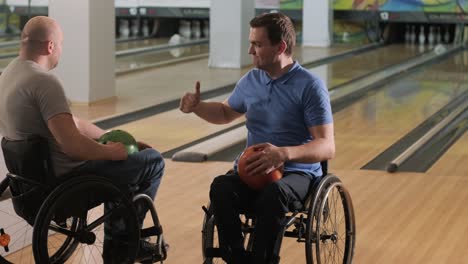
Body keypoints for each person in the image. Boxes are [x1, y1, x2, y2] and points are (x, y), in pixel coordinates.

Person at [0, 16, 165, 262]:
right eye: (62, 44)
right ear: (50, 46)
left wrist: (108, 138)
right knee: (152, 161)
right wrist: (113, 152)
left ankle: (121, 239)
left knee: (126, 169)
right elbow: (73, 146)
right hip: (68, 184)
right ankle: (126, 244)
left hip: (28, 189)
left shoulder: (8, 75)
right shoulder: (44, 81)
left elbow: (73, 123)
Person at [180, 13, 335, 264]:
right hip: (254, 170)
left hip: (297, 173)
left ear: (280, 47)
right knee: (220, 187)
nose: (250, 50)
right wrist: (197, 107)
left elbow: (327, 146)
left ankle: (263, 260)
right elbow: (224, 112)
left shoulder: (310, 86)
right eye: (251, 43)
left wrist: (284, 154)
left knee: (274, 194)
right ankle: (237, 258)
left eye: (257, 45)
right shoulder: (251, 80)